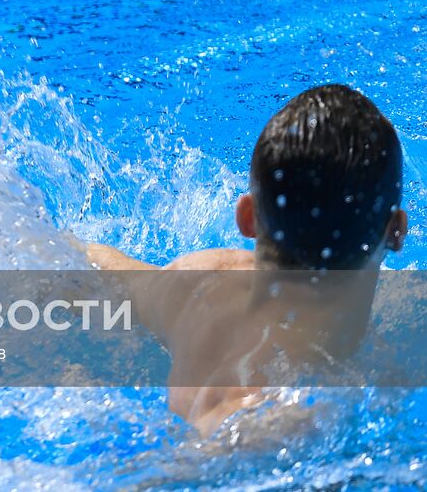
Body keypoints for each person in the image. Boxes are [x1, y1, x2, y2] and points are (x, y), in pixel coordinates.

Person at [85, 83, 408, 437]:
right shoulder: (285, 417)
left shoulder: (196, 284)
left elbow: (94, 269)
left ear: (248, 217)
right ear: (396, 231)